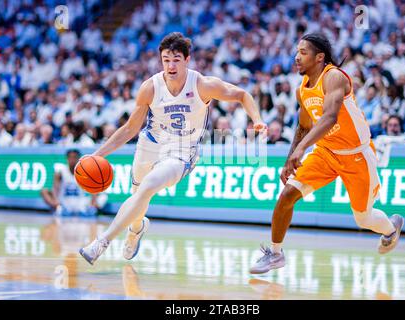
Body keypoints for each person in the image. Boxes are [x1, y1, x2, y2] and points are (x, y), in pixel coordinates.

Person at [79, 32, 266, 265]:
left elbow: (242, 94)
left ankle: (101, 242)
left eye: (176, 59)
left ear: (187, 60)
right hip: (151, 143)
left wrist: (256, 119)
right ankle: (136, 229)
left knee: (147, 187)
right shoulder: (150, 87)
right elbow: (129, 129)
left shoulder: (203, 85)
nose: (171, 65)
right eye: (166, 59)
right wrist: (97, 155)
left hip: (181, 151)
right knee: (138, 194)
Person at [250, 33, 404, 274]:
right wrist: (289, 159)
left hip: (356, 154)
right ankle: (275, 254)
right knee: (286, 195)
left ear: (319, 57)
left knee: (363, 219)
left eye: (303, 52)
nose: (296, 57)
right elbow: (303, 126)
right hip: (326, 152)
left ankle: (391, 228)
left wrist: (301, 149)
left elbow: (329, 116)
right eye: (297, 52)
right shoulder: (302, 89)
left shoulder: (333, 77)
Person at [41, 149, 105, 217]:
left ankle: (91, 209)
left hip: (80, 203)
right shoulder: (60, 172)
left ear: (78, 159)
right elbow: (55, 189)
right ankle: (58, 208)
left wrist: (93, 202)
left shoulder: (84, 171)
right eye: (70, 157)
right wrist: (56, 202)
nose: (72, 160)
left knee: (103, 195)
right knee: (44, 191)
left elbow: (93, 188)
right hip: (64, 203)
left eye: (74, 157)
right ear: (67, 158)